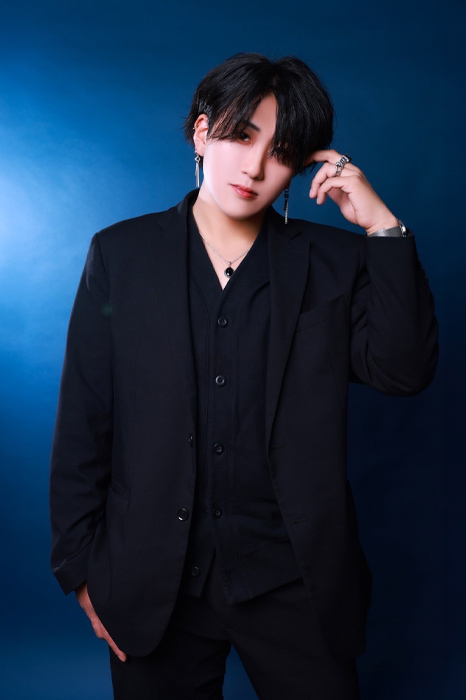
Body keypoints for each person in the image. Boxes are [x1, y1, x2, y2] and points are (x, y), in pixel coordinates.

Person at [49, 52, 439, 700]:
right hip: (152, 582)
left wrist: (383, 227)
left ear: (302, 165)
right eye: (240, 136)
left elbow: (404, 371)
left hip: (296, 581)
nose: (255, 168)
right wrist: (82, 571)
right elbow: (84, 420)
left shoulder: (334, 261)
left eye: (281, 152)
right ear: (202, 134)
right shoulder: (120, 255)